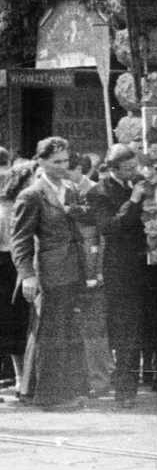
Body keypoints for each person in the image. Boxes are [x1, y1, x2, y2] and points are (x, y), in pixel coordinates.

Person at [87, 145, 157, 406]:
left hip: (151, 265)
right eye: (128, 169)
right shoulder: (98, 192)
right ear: (112, 169)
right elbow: (109, 228)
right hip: (123, 270)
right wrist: (133, 200)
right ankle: (125, 392)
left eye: (135, 166)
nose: (134, 172)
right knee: (127, 331)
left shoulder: (146, 184)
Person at [12, 139, 98, 409]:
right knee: (50, 333)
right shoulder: (32, 195)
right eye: (56, 162)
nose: (62, 166)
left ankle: (67, 390)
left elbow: (89, 217)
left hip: (73, 269)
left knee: (69, 330)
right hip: (49, 271)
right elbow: (21, 240)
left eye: (65, 161)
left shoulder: (69, 190)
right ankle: (48, 396)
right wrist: (27, 275)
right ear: (41, 161)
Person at [0, 161, 36, 392]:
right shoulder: (5, 208)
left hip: (20, 267)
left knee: (19, 328)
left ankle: (23, 380)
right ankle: (21, 379)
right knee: (9, 326)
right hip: (6, 268)